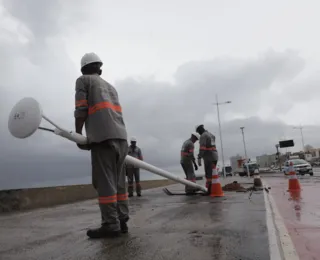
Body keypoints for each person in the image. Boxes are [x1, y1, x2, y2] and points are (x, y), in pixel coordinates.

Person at [74, 52, 129, 239]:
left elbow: (81, 108)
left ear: (83, 68)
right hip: (121, 138)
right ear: (100, 67)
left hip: (103, 139)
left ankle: (110, 224)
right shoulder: (111, 87)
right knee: (119, 183)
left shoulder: (83, 81)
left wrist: (78, 134)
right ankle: (122, 220)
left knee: (105, 183)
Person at [195, 124, 219, 194]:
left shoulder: (203, 136)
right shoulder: (211, 135)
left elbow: (202, 148)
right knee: (213, 174)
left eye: (198, 132)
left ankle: (209, 190)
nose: (198, 133)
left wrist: (199, 157)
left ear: (199, 130)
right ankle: (213, 188)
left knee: (208, 174)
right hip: (215, 155)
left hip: (209, 157)